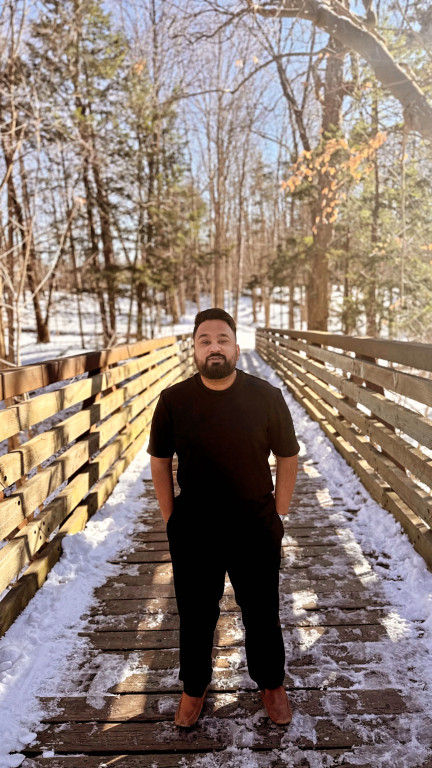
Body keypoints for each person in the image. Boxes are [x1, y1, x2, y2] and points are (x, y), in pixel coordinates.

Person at [148, 308, 299, 728]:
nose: (214, 347)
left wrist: (279, 512)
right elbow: (159, 461)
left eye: (222, 339)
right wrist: (171, 519)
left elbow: (288, 456)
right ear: (194, 350)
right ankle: (194, 687)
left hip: (254, 523)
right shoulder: (174, 400)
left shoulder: (266, 396)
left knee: (262, 610)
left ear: (236, 346)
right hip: (195, 527)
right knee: (196, 613)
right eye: (205, 340)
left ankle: (271, 684)